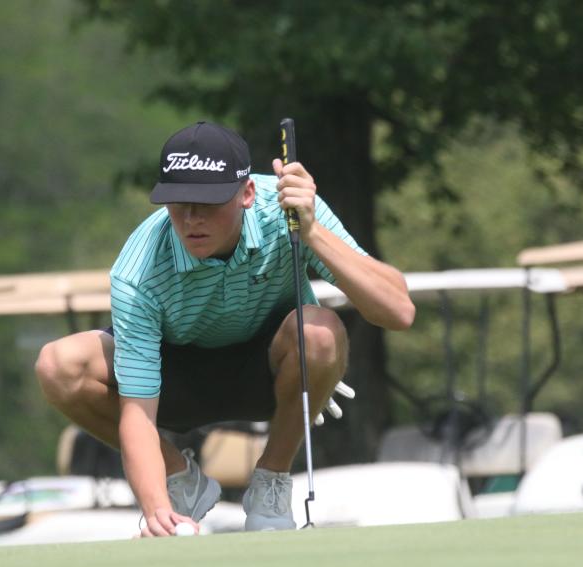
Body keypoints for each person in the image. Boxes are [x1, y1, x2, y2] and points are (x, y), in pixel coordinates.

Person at [35, 121, 414, 537]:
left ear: (247, 194)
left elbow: (398, 312)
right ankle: (181, 483)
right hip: (176, 378)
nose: (192, 219)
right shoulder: (137, 270)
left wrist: (312, 232)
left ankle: (270, 483)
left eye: (208, 202)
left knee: (321, 333)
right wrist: (156, 509)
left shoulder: (289, 208)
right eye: (180, 203)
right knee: (57, 364)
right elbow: (139, 415)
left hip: (269, 374)